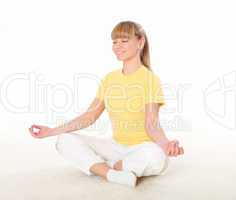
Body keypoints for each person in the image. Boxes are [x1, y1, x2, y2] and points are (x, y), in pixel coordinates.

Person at [29, 21, 184, 187]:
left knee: (158, 157)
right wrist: (51, 131)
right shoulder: (110, 79)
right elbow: (90, 116)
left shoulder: (150, 79)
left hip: (141, 148)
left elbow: (151, 124)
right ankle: (112, 174)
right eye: (114, 42)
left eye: (124, 41)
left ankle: (110, 166)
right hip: (114, 147)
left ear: (140, 42)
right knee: (64, 140)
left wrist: (166, 145)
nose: (117, 46)